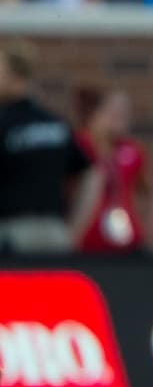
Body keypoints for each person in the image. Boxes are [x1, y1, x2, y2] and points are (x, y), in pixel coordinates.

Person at [0, 40, 100, 254]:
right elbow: (91, 174)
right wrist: (74, 230)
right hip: (54, 234)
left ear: (14, 74)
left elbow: (92, 173)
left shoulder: (5, 122)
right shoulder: (54, 123)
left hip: (10, 234)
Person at [72, 85, 153, 253]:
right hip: (86, 243)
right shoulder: (78, 146)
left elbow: (152, 194)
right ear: (95, 112)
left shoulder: (132, 150)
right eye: (113, 112)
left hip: (128, 244)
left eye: (124, 113)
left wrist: (150, 232)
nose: (120, 119)